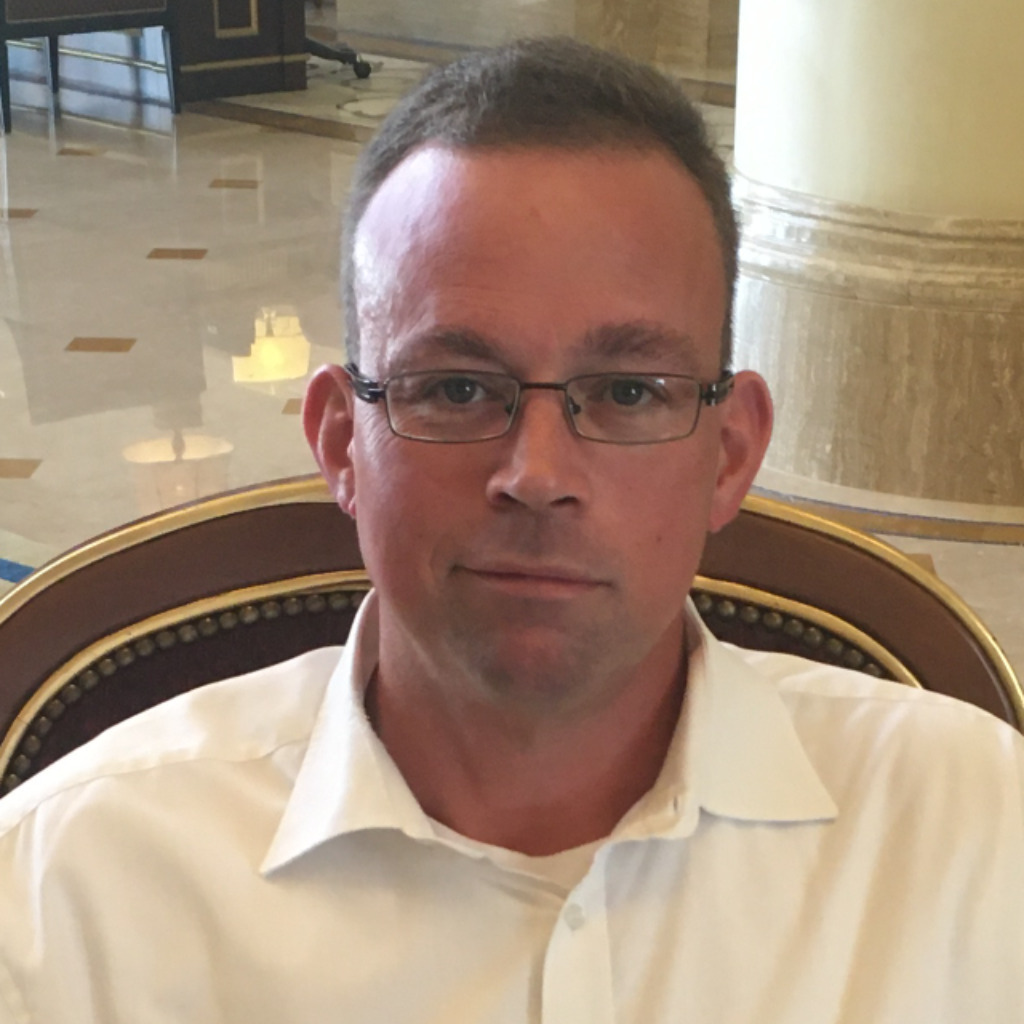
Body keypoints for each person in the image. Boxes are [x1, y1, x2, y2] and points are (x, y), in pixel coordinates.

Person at [1, 36, 1022, 1024]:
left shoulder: (975, 831)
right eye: (455, 388)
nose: (537, 476)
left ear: (730, 453)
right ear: (342, 442)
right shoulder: (65, 895)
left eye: (628, 390)